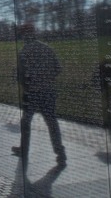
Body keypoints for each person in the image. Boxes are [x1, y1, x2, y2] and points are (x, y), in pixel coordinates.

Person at [11, 24, 66, 167]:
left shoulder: (24, 51)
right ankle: (60, 153)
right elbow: (58, 69)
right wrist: (46, 78)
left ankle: (24, 149)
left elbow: (20, 75)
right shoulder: (47, 48)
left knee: (26, 122)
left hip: (32, 92)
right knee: (52, 122)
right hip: (48, 91)